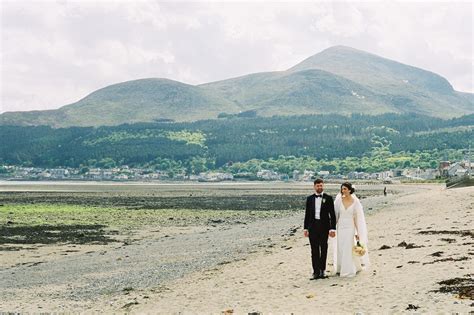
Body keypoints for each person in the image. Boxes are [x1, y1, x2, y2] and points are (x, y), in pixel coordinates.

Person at [333, 182, 370, 277]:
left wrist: (357, 232)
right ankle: (341, 267)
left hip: (350, 227)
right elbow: (336, 216)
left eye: (345, 189)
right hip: (340, 227)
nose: (343, 191)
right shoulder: (338, 201)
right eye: (342, 189)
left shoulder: (355, 202)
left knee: (348, 247)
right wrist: (332, 228)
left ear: (349, 190)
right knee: (341, 247)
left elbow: (357, 218)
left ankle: (348, 270)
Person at [303, 178, 336, 280]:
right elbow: (307, 214)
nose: (319, 187)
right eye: (318, 186)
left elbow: (332, 214)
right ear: (314, 186)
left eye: (321, 185)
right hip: (312, 227)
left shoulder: (328, 198)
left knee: (324, 248)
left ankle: (322, 270)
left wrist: (332, 228)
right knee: (314, 250)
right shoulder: (310, 199)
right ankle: (315, 272)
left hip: (324, 227)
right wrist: (305, 228)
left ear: (323, 186)